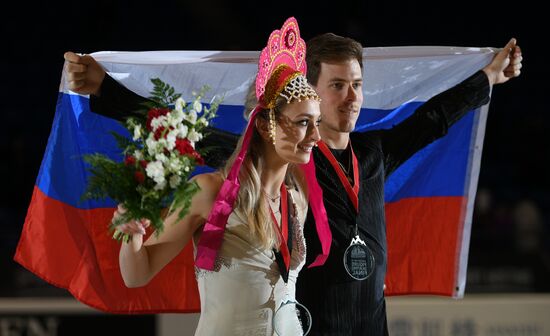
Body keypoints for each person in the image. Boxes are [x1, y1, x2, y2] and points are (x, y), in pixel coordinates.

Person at [65, 33, 522, 335]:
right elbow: (179, 128)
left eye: (358, 85)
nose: (351, 97)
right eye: (337, 85)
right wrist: (106, 89)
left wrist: (488, 79)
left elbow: (433, 119)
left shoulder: (365, 158)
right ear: (310, 92)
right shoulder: (261, 169)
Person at [111, 17, 322, 335]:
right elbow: (137, 275)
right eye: (304, 122)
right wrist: (133, 236)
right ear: (265, 126)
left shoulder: (297, 198)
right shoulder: (210, 191)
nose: (317, 136)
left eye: (316, 122)